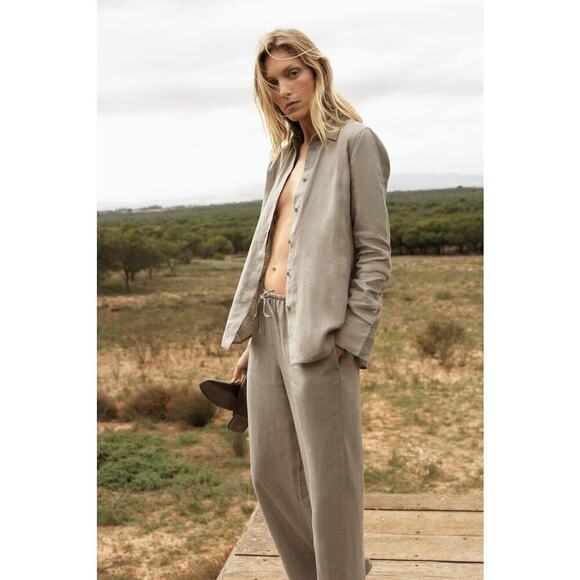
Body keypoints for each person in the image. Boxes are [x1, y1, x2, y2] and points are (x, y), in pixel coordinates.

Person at [220, 28, 391, 580]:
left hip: (322, 332)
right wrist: (253, 341)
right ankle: (333, 569)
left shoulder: (356, 143)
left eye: (292, 74)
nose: (284, 90)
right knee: (270, 473)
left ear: (318, 72)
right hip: (270, 328)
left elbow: (374, 253)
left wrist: (351, 339)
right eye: (272, 83)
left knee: (330, 480)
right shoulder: (282, 158)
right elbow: (273, 249)